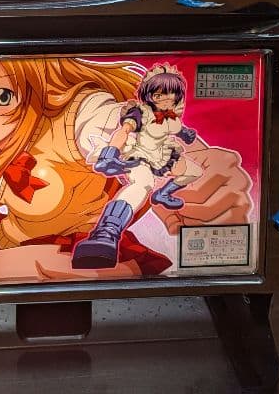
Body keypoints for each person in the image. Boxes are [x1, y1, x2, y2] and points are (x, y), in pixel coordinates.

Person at [0, 57, 252, 283]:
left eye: (3, 96)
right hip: (0, 240)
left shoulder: (70, 121)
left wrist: (195, 162)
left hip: (82, 246)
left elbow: (109, 119)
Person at [72, 64, 202, 270]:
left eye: (171, 93)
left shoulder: (171, 117)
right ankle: (106, 233)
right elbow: (123, 131)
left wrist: (185, 134)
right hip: (139, 155)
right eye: (160, 94)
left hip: (162, 155)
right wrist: (110, 153)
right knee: (143, 183)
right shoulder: (140, 112)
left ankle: (163, 194)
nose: (166, 98)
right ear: (151, 95)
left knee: (194, 171)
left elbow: (176, 128)